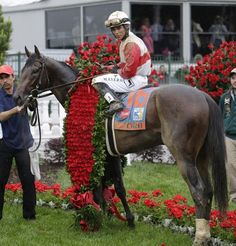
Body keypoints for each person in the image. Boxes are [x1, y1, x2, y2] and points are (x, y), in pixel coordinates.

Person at [91, 11, 152, 116]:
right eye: (113, 29)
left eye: (119, 28)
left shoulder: (131, 43)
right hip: (136, 78)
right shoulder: (125, 40)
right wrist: (108, 68)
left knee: (96, 80)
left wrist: (116, 71)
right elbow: (124, 63)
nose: (116, 32)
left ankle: (114, 103)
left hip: (135, 80)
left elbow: (129, 71)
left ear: (127, 27)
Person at [0, 64, 36, 220]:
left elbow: (33, 107)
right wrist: (16, 109)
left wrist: (32, 102)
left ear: (13, 77)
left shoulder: (22, 93)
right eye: (1, 78)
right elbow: (1, 116)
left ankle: (29, 215)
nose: (4, 81)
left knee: (28, 181)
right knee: (0, 181)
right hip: (5, 144)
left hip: (23, 144)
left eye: (6, 77)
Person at [219, 68, 236, 203]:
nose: (235, 80)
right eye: (233, 78)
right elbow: (221, 116)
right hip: (229, 137)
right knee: (230, 165)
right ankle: (234, 195)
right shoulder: (225, 98)